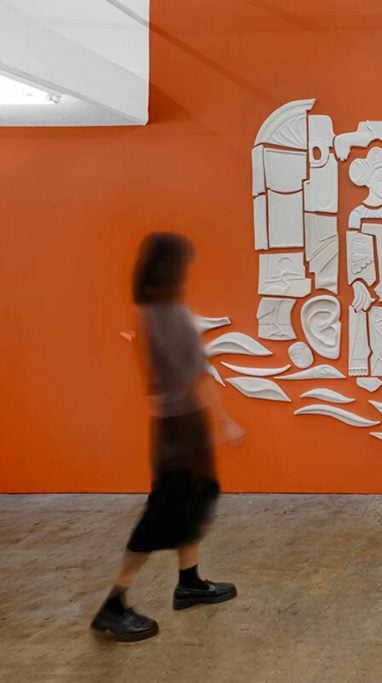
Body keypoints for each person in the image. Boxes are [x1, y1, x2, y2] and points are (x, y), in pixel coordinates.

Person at [91, 232, 245, 642]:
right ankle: (113, 603)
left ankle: (190, 582)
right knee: (164, 512)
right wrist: (226, 421)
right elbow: (198, 374)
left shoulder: (144, 311)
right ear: (172, 268)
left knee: (192, 501)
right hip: (184, 425)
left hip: (166, 425)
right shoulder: (172, 314)